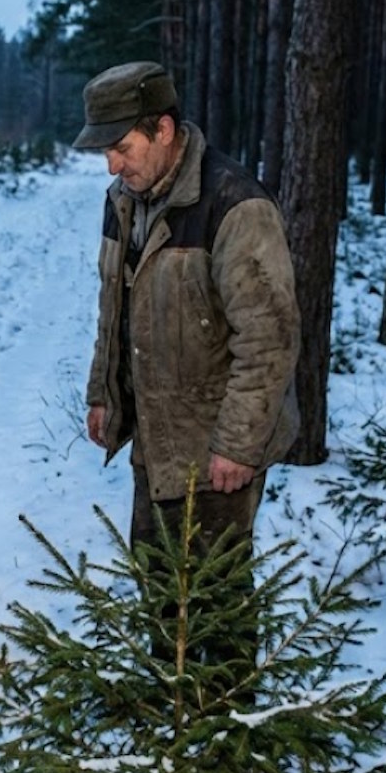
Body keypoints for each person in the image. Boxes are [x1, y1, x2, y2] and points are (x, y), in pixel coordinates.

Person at [78, 61, 300, 573]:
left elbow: (268, 339)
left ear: (163, 129)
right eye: (105, 152)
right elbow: (113, 307)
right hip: (154, 437)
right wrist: (103, 393)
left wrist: (238, 445)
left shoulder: (236, 206)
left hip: (216, 449)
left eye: (122, 148)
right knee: (158, 587)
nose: (112, 167)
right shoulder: (123, 201)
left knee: (215, 601)